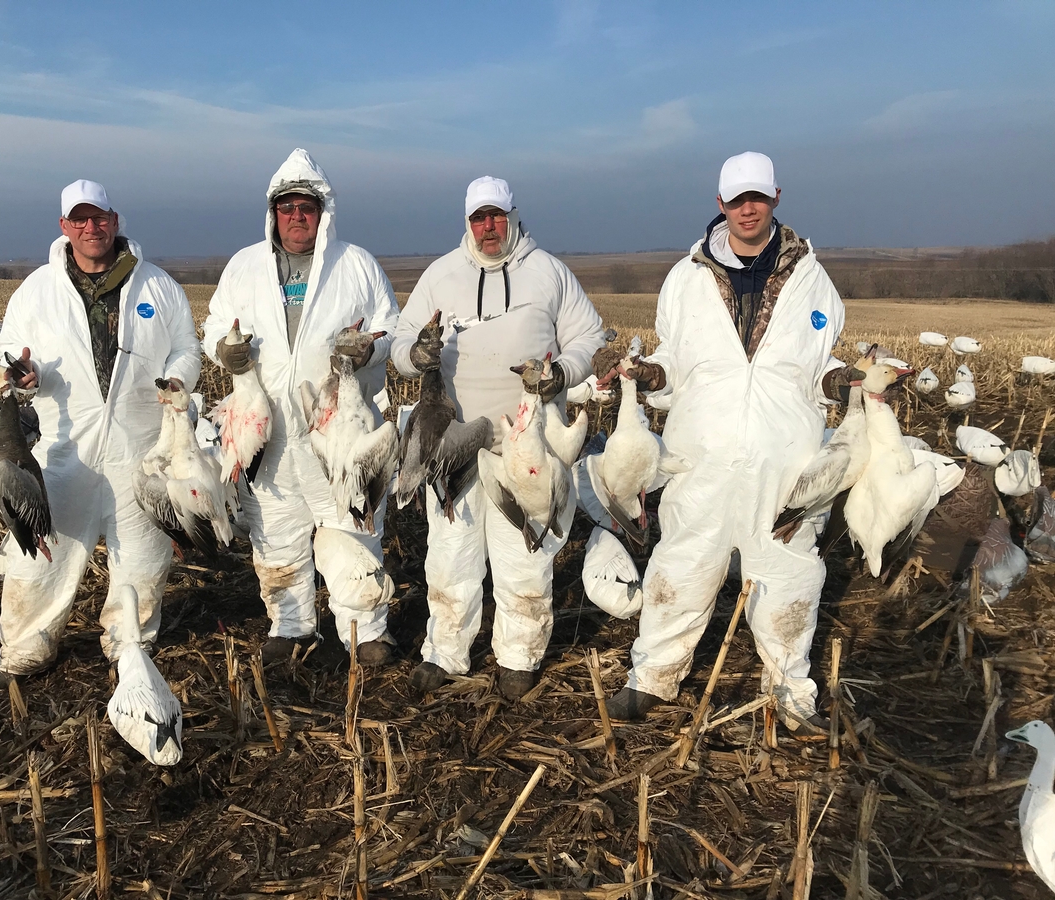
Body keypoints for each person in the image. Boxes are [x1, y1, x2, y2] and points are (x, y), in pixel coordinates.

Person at [599, 152, 852, 734]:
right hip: (703, 458)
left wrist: (848, 380)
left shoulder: (812, 279)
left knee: (788, 576)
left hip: (783, 461)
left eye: (757, 198)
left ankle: (791, 694)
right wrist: (646, 374)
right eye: (737, 199)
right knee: (681, 566)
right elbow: (673, 362)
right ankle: (653, 679)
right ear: (720, 205)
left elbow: (817, 369)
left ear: (776, 198)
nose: (747, 208)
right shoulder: (686, 278)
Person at [391, 176, 604, 701]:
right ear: (467, 222)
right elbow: (400, 343)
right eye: (479, 218)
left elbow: (589, 336)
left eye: (497, 216)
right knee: (450, 553)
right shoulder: (441, 275)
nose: (489, 227)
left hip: (524, 444)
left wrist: (563, 374)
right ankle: (446, 651)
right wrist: (416, 354)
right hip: (455, 443)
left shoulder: (547, 271)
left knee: (523, 554)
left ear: (512, 216)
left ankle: (519, 655)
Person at [0, 179, 201, 679]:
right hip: (68, 449)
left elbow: (187, 347)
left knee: (142, 558)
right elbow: (12, 361)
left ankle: (129, 645)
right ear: (64, 226)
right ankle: (25, 649)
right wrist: (25, 376)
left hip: (141, 446)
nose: (92, 227)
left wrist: (179, 377)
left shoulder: (156, 284)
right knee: (41, 553)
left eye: (100, 217)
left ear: (115, 220)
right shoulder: (36, 292)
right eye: (80, 219)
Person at [202, 148, 400, 665]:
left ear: (322, 212)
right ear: (273, 212)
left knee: (350, 524)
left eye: (306, 207)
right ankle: (290, 627)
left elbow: (391, 331)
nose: (297, 216)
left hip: (336, 425)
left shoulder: (355, 265)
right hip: (269, 430)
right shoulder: (244, 267)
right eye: (287, 207)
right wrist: (224, 350)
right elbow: (214, 327)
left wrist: (370, 348)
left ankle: (366, 630)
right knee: (275, 532)